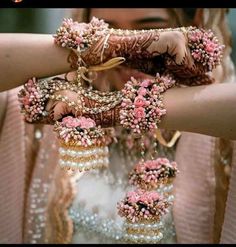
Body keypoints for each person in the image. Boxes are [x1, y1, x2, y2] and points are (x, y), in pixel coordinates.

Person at [0, 8, 235, 243]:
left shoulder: (219, 131)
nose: (134, 60)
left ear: (192, 25)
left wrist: (114, 108)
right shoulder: (47, 112)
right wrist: (117, 46)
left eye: (150, 28)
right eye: (107, 29)